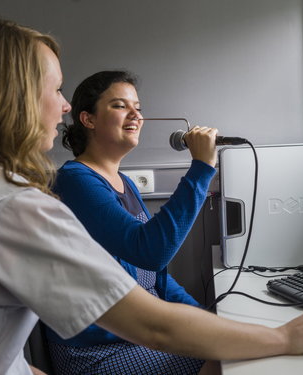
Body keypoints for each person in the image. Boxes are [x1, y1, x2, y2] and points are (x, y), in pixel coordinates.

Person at [0, 15, 303, 375]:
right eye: (57, 89)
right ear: (14, 97)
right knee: (232, 360)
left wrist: (209, 319)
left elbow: (153, 282)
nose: (62, 106)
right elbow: (152, 292)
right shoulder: (22, 201)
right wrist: (282, 336)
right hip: (102, 351)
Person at [45, 70, 218, 374]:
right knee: (224, 360)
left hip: (139, 332)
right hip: (99, 350)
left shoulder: (125, 183)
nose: (136, 115)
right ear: (88, 119)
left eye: (137, 107)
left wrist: (207, 321)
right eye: (120, 106)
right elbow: (151, 251)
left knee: (226, 345)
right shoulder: (75, 181)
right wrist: (201, 168)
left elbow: (155, 276)